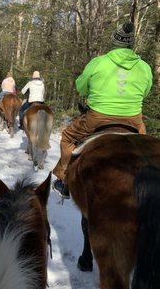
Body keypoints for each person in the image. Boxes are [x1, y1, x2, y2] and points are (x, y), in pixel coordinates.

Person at [53, 22, 153, 199]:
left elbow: (81, 87)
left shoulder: (98, 62)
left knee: (68, 137)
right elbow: (145, 92)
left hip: (97, 117)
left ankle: (65, 181)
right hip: (133, 119)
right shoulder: (145, 67)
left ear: (114, 43)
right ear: (131, 45)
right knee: (146, 148)